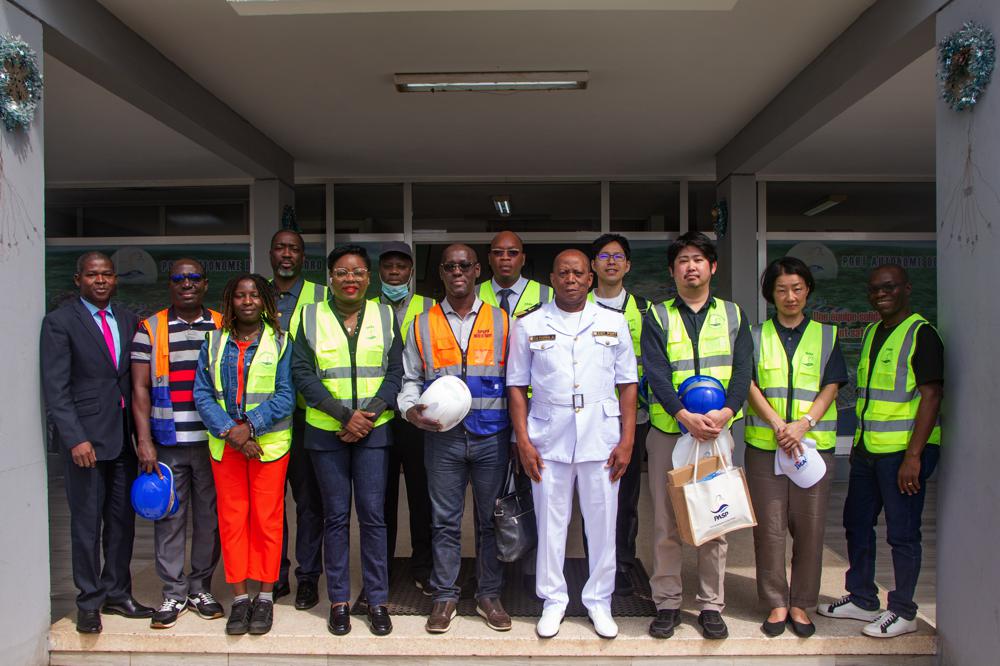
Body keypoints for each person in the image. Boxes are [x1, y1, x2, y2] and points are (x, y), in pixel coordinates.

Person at [508, 249, 638, 639]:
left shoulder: (613, 322)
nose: (570, 279)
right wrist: (523, 442)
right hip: (548, 436)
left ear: (590, 278)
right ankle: (553, 600)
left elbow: (628, 384)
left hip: (602, 436)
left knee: (602, 523)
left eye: (578, 273)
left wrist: (628, 439)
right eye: (563, 272)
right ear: (552, 277)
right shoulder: (529, 324)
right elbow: (515, 386)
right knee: (551, 522)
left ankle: (600, 600)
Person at [818, 264, 943, 638]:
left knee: (902, 533)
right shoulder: (874, 331)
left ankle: (903, 610)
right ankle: (862, 597)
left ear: (906, 288)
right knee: (857, 523)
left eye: (888, 288)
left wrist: (914, 457)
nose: (880, 294)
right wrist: (857, 445)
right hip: (868, 449)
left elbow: (932, 395)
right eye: (874, 289)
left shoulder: (922, 334)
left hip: (904, 454)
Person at [640, 231, 752, 640]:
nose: (691, 266)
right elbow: (655, 372)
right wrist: (683, 415)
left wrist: (725, 413)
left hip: (718, 434)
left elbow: (743, 371)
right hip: (671, 432)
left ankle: (710, 605)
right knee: (666, 524)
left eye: (698, 259)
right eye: (683, 260)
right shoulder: (658, 316)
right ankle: (667, 602)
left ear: (712, 267)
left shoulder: (734, 314)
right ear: (672, 271)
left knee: (714, 519)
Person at [399, 244, 512, 635]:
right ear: (441, 273)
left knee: (489, 522)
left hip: (492, 436)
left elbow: (518, 380)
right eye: (450, 266)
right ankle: (445, 596)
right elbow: (410, 378)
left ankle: (488, 594)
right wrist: (409, 408)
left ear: (477, 270)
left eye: (465, 265)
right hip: (442, 439)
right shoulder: (420, 322)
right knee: (443, 522)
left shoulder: (504, 320)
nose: (458, 271)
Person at [292, 245, 403, 637]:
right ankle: (338, 601)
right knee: (335, 518)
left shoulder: (386, 314)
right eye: (342, 272)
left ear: (368, 278)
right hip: (327, 433)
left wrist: (366, 416)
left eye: (357, 272)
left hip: (374, 432)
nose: (350, 279)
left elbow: (395, 372)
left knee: (373, 518)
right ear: (330, 278)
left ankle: (377, 600)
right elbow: (302, 374)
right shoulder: (309, 316)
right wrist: (345, 416)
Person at [41, 251, 153, 634]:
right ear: (78, 280)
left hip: (123, 439)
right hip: (86, 443)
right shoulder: (59, 323)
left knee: (122, 523)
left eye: (106, 274)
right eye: (93, 275)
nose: (100, 280)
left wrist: (143, 438)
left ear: (115, 279)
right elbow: (56, 389)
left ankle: (118, 593)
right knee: (87, 525)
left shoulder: (128, 320)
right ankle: (88, 601)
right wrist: (75, 438)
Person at [744, 257, 847, 638]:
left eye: (797, 288)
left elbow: (831, 385)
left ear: (808, 290)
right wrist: (777, 425)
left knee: (810, 528)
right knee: (769, 529)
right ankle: (776, 602)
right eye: (782, 288)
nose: (790, 296)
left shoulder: (827, 336)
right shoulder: (753, 335)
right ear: (770, 293)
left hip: (812, 449)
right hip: (765, 446)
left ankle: (802, 603)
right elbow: (750, 385)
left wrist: (804, 425)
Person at [193, 273, 295, 636]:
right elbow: (202, 394)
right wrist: (232, 433)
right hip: (227, 448)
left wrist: (249, 427)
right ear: (230, 301)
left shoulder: (281, 341)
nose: (247, 301)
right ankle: (239, 597)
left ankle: (265, 596)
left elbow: (285, 395)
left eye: (254, 295)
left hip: (269, 447)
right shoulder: (214, 341)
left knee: (267, 520)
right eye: (240, 295)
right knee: (233, 521)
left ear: (265, 301)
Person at [132, 258, 224, 629]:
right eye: (179, 278)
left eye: (194, 278)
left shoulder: (221, 325)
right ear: (170, 285)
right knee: (169, 518)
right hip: (167, 441)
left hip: (213, 442)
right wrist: (144, 440)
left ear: (205, 284)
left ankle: (201, 587)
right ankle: (173, 592)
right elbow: (139, 387)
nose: (186, 283)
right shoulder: (150, 329)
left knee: (209, 520)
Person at [587, 233, 650, 597]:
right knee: (589, 496)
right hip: (590, 418)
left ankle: (623, 564)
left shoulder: (643, 311)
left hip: (632, 418)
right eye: (604, 256)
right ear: (593, 265)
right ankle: (593, 564)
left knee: (625, 496)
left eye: (618, 256)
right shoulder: (578, 305)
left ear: (627, 265)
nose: (611, 262)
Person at [269, 229, 327, 610]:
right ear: (271, 253)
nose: (287, 254)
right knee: (271, 502)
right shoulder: (255, 295)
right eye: (280, 248)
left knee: (309, 502)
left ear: (304, 256)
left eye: (294, 249)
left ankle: (308, 577)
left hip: (308, 416)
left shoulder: (322, 297)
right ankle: (274, 574)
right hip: (268, 417)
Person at [375, 241, 435, 594]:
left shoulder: (428, 307)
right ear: (379, 271)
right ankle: (380, 566)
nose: (394, 272)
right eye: (388, 267)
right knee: (380, 498)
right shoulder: (368, 309)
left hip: (417, 414)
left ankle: (423, 566)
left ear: (411, 271)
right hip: (380, 414)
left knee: (421, 494)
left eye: (401, 267)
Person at [477, 230, 552, 317]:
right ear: (489, 259)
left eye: (513, 253)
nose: (505, 257)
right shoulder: (474, 293)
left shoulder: (546, 293)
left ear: (523, 259)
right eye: (498, 253)